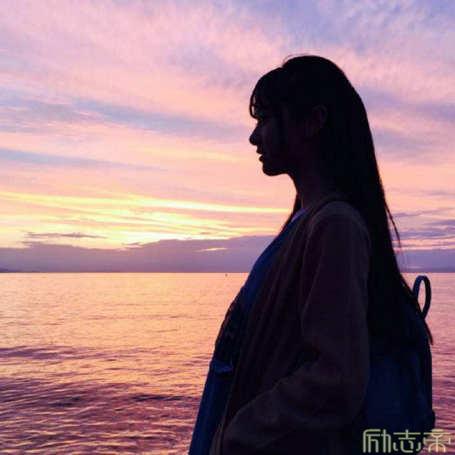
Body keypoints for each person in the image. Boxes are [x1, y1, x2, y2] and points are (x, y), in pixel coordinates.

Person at [189, 55, 433, 455]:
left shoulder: (335, 226)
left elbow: (336, 378)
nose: (254, 137)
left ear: (312, 122)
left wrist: (239, 433)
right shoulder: (306, 223)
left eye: (265, 119)